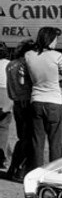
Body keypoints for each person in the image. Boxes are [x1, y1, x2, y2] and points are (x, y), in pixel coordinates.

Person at [25, 27, 62, 169]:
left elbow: (25, 81)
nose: (57, 42)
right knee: (55, 142)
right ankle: (54, 171)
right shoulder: (57, 56)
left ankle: (36, 171)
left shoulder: (28, 55)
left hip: (36, 101)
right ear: (50, 40)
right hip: (54, 102)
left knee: (37, 142)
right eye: (56, 39)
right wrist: (55, 84)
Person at [6, 39, 35, 181]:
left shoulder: (10, 65)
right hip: (26, 102)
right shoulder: (25, 64)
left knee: (21, 137)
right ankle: (21, 169)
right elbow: (26, 83)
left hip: (16, 102)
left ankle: (13, 168)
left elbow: (10, 88)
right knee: (28, 138)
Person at [0, 43, 12, 169]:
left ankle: (6, 155)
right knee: (3, 128)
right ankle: (3, 157)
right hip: (6, 95)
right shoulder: (10, 64)